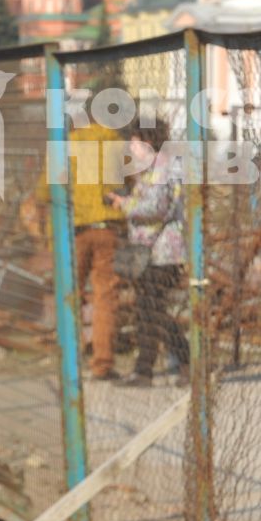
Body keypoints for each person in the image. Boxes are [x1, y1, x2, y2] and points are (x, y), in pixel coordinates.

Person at [112, 124, 189, 386]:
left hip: (163, 252)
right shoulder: (152, 171)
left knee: (152, 310)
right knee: (150, 310)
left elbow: (156, 207)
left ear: (148, 141)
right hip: (152, 252)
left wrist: (125, 205)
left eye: (135, 142)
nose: (131, 148)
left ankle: (182, 361)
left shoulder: (163, 169)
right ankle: (147, 369)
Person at [65, 114, 125, 380]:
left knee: (70, 294)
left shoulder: (66, 145)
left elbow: (46, 188)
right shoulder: (114, 142)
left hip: (76, 229)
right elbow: (128, 183)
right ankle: (102, 363)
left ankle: (69, 360)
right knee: (105, 297)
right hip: (108, 227)